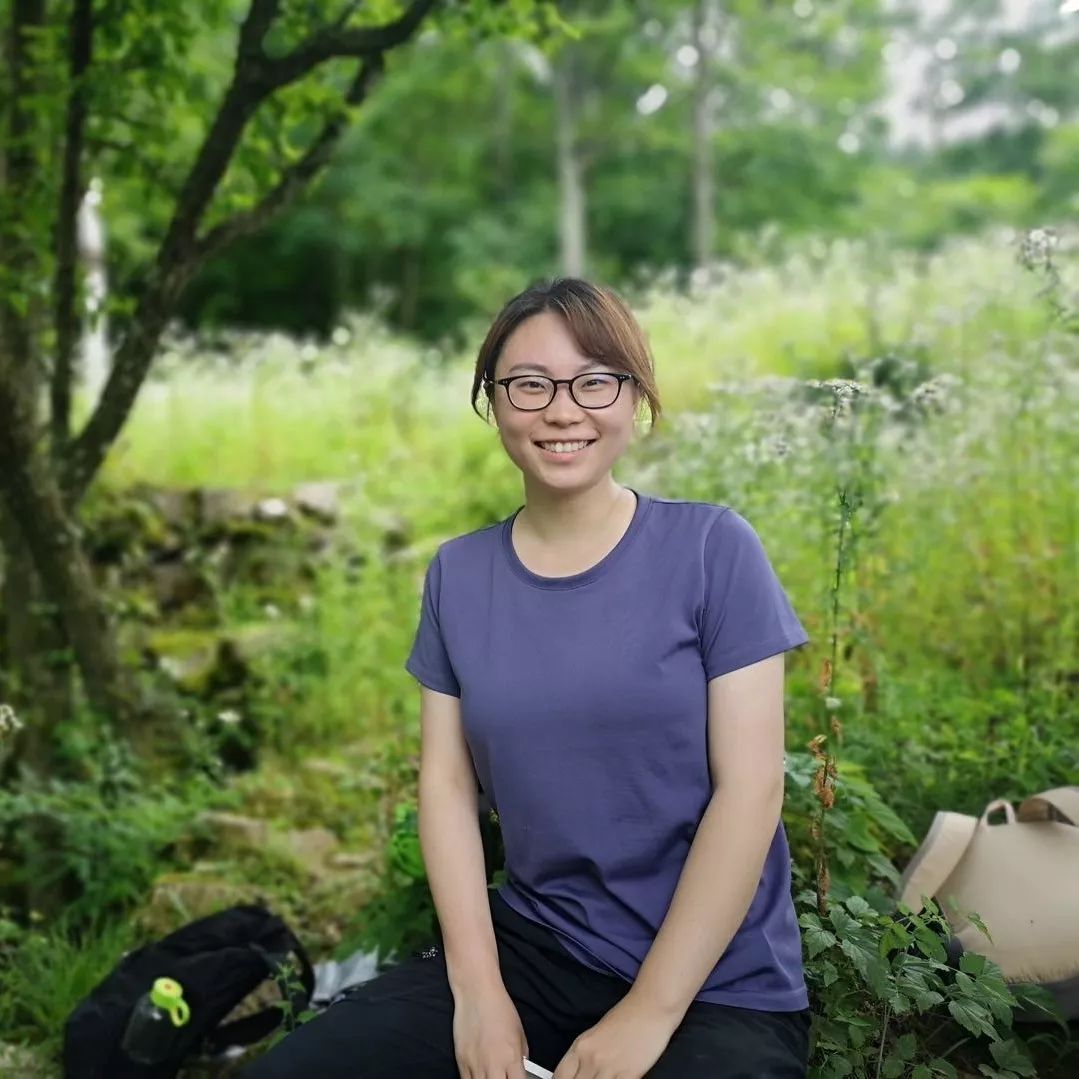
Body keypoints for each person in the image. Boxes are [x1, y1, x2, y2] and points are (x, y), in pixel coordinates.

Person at [242, 279, 812, 1078]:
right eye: (529, 384)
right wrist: (477, 992)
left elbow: (750, 793)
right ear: (494, 402)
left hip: (718, 981)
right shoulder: (458, 574)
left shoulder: (713, 549)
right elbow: (445, 788)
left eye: (594, 380)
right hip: (538, 948)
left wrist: (646, 1014)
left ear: (634, 397)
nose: (562, 409)